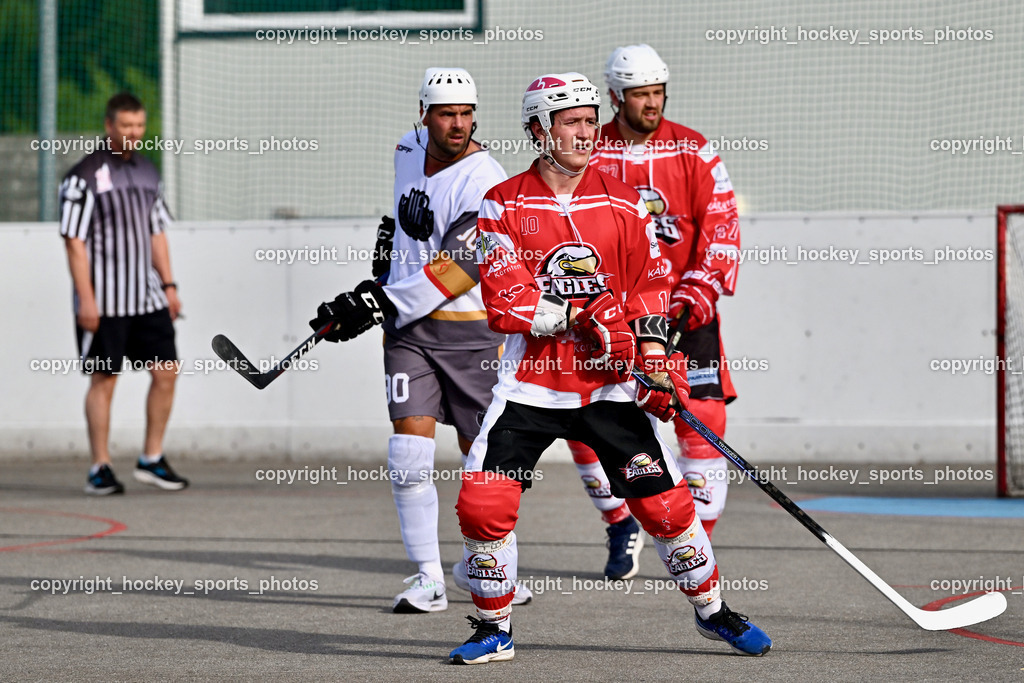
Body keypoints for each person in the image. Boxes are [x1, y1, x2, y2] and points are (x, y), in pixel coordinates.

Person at [446, 72, 771, 664]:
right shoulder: (502, 204)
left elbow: (650, 287)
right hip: (533, 387)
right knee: (483, 506)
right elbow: (504, 299)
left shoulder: (625, 201)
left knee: (666, 508)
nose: (586, 131)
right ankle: (493, 628)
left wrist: (653, 356)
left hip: (609, 387)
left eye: (591, 120)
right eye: (571, 121)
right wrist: (576, 315)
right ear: (538, 129)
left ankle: (713, 612)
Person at [309, 67, 531, 613]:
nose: (458, 124)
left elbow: (461, 267)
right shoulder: (406, 149)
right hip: (410, 334)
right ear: (424, 114)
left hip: (473, 335)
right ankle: (429, 577)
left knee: (484, 461)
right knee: (408, 453)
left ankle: (492, 568)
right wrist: (378, 279)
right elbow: (402, 229)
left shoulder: (485, 180)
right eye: (446, 114)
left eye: (466, 114)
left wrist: (382, 302)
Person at [569, 44, 742, 544]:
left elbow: (723, 226)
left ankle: (698, 541)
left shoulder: (694, 149)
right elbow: (567, 230)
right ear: (614, 96)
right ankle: (619, 519)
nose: (652, 103)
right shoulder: (588, 151)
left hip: (686, 311)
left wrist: (697, 292)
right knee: (585, 418)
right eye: (640, 94)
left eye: (658, 92)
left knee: (702, 416)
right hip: (613, 312)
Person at [59, 92, 188, 495]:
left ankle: (151, 458)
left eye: (139, 126)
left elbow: (156, 233)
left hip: (147, 297)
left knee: (166, 371)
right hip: (105, 301)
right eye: (126, 126)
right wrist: (87, 298)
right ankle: (100, 466)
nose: (134, 133)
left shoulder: (149, 172)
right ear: (109, 125)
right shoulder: (84, 175)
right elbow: (74, 242)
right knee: (105, 378)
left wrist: (169, 286)